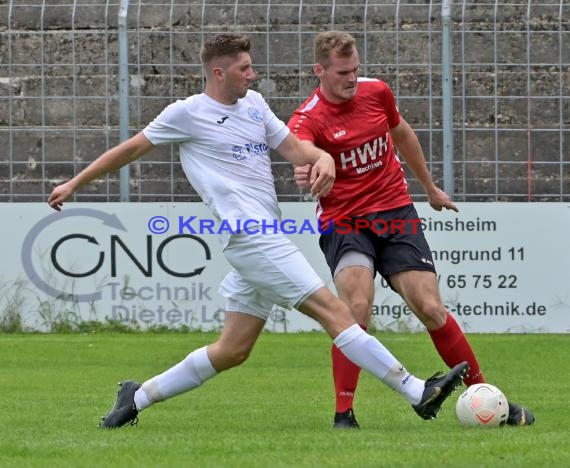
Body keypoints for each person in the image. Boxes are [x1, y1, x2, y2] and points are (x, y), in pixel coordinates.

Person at [47, 33, 467, 429]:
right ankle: (417, 391)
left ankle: (134, 399)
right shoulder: (187, 113)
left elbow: (295, 149)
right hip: (250, 237)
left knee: (233, 350)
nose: (253, 74)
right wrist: (74, 185)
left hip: (267, 236)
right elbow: (130, 149)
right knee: (337, 312)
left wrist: (322, 157)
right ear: (219, 73)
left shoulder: (255, 106)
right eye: (245, 68)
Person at [288, 31, 534, 429]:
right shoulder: (308, 116)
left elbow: (402, 134)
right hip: (345, 221)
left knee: (431, 308)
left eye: (355, 70)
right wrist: (310, 166)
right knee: (355, 307)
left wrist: (430, 188)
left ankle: (489, 399)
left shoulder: (377, 93)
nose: (352, 79)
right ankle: (343, 413)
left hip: (394, 210)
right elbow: (300, 149)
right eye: (342, 72)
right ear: (320, 70)